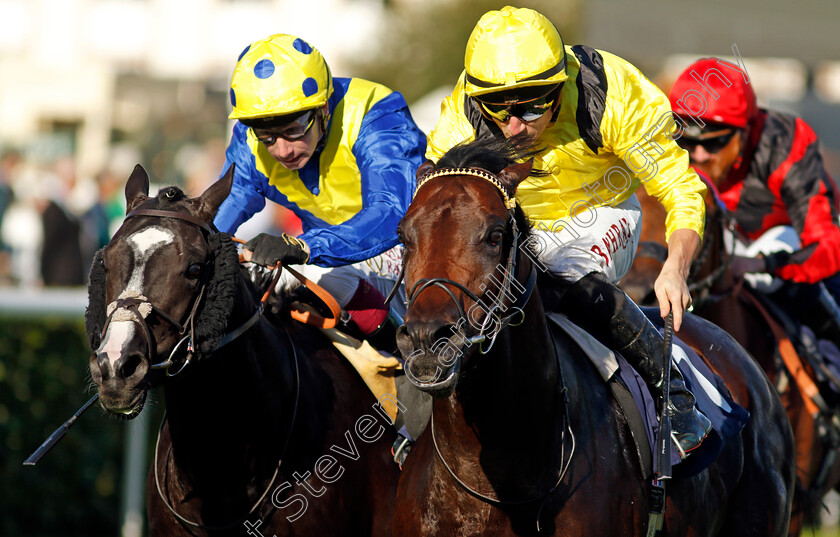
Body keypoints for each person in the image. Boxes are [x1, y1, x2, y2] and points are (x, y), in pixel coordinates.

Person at [425, 6, 711, 455]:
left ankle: (673, 394)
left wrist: (675, 266)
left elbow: (681, 189)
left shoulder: (609, 91)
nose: (514, 124)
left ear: (560, 86)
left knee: (559, 265)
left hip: (603, 209)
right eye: (498, 108)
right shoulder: (463, 111)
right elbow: (444, 206)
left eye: (532, 105)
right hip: (515, 224)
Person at [214, 33, 427, 343]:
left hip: (406, 251)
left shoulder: (375, 113)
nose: (282, 150)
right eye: (268, 136)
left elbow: (391, 213)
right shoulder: (249, 141)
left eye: (293, 129)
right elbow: (216, 219)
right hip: (325, 260)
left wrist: (304, 247)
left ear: (324, 107)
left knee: (314, 275)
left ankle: (409, 363)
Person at [668, 57, 840, 347]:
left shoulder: (786, 144)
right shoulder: (668, 146)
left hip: (786, 256)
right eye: (686, 141)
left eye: (713, 143)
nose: (696, 156)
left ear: (745, 131)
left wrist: (759, 263)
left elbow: (829, 246)